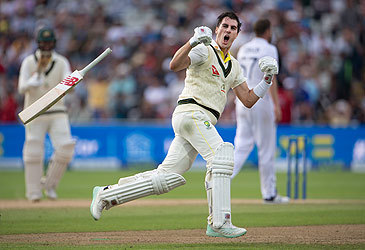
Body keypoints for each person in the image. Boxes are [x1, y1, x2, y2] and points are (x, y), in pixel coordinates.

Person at [90, 12, 278, 238]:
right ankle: (219, 222)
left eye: (233, 28)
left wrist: (266, 79)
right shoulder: (204, 49)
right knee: (221, 156)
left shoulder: (235, 66)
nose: (228, 31)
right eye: (224, 26)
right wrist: (191, 41)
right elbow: (174, 65)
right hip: (191, 112)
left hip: (200, 120)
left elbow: (247, 100)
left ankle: (106, 195)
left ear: (237, 34)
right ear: (217, 29)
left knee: (166, 177)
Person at [231, 19, 289, 204]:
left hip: (242, 100)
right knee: (266, 149)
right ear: (268, 30)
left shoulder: (243, 48)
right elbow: (270, 78)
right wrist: (276, 105)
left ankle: (220, 181)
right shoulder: (269, 49)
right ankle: (269, 194)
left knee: (240, 146)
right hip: (261, 100)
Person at [18, 27, 75, 202]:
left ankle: (49, 185)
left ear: (54, 43)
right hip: (35, 111)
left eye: (50, 42)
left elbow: (69, 85)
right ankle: (33, 192)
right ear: (39, 42)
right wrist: (30, 83)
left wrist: (71, 83)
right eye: (44, 42)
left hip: (58, 110)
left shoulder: (62, 61)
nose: (47, 45)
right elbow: (21, 88)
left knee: (66, 147)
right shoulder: (28, 62)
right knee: (33, 150)